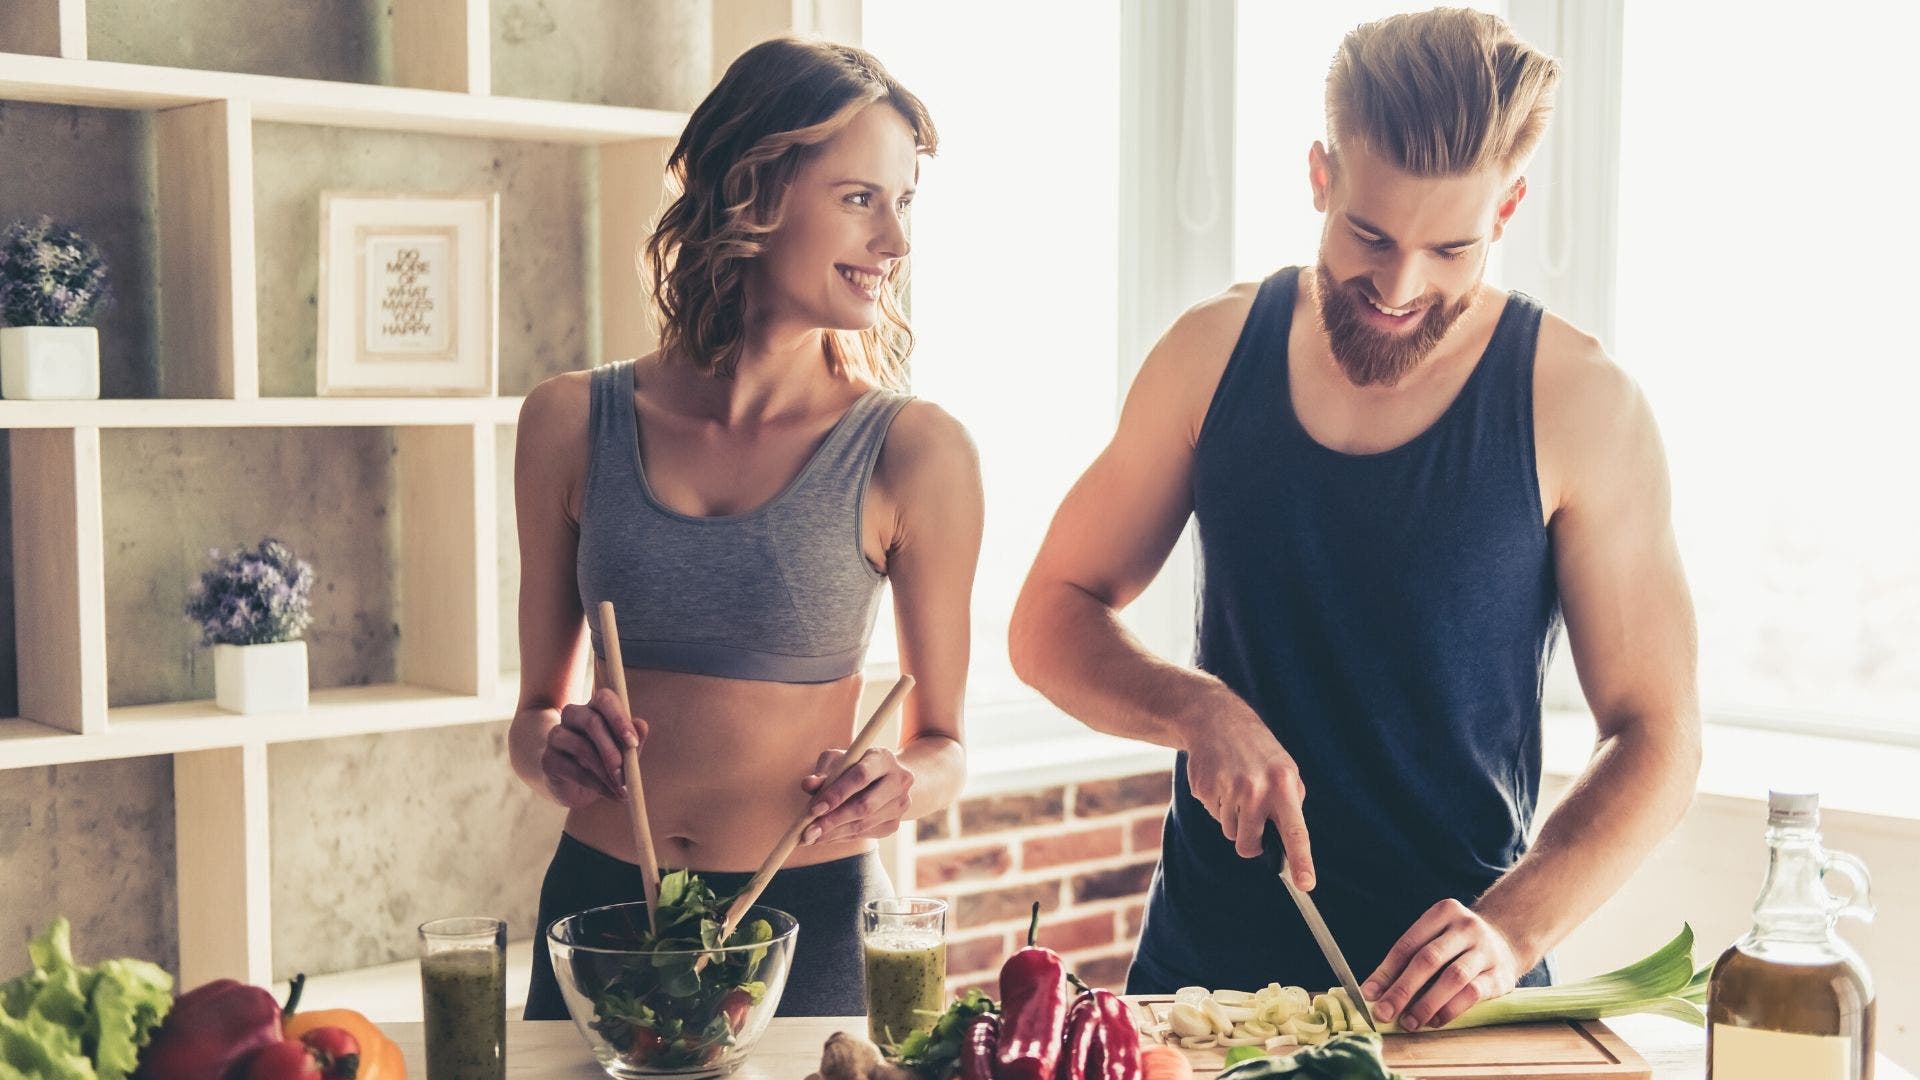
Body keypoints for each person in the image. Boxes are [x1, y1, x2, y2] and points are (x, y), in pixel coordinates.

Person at [1008, 8, 1700, 1033]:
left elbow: (1659, 736)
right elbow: (1048, 619)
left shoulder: (1581, 403)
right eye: (1369, 236)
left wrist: (1512, 930)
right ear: (1320, 177)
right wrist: (1195, 708)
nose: (1399, 286)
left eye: (1450, 249)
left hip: (1448, 1008)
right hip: (1201, 989)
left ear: (1505, 211)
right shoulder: (1208, 355)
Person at [509, 36, 983, 1019]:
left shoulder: (916, 452)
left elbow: (943, 742)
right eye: (861, 199)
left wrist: (902, 784)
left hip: (805, 922)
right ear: (751, 193)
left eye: (904, 203)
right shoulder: (567, 423)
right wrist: (553, 747)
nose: (895, 243)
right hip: (601, 914)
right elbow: (532, 721)